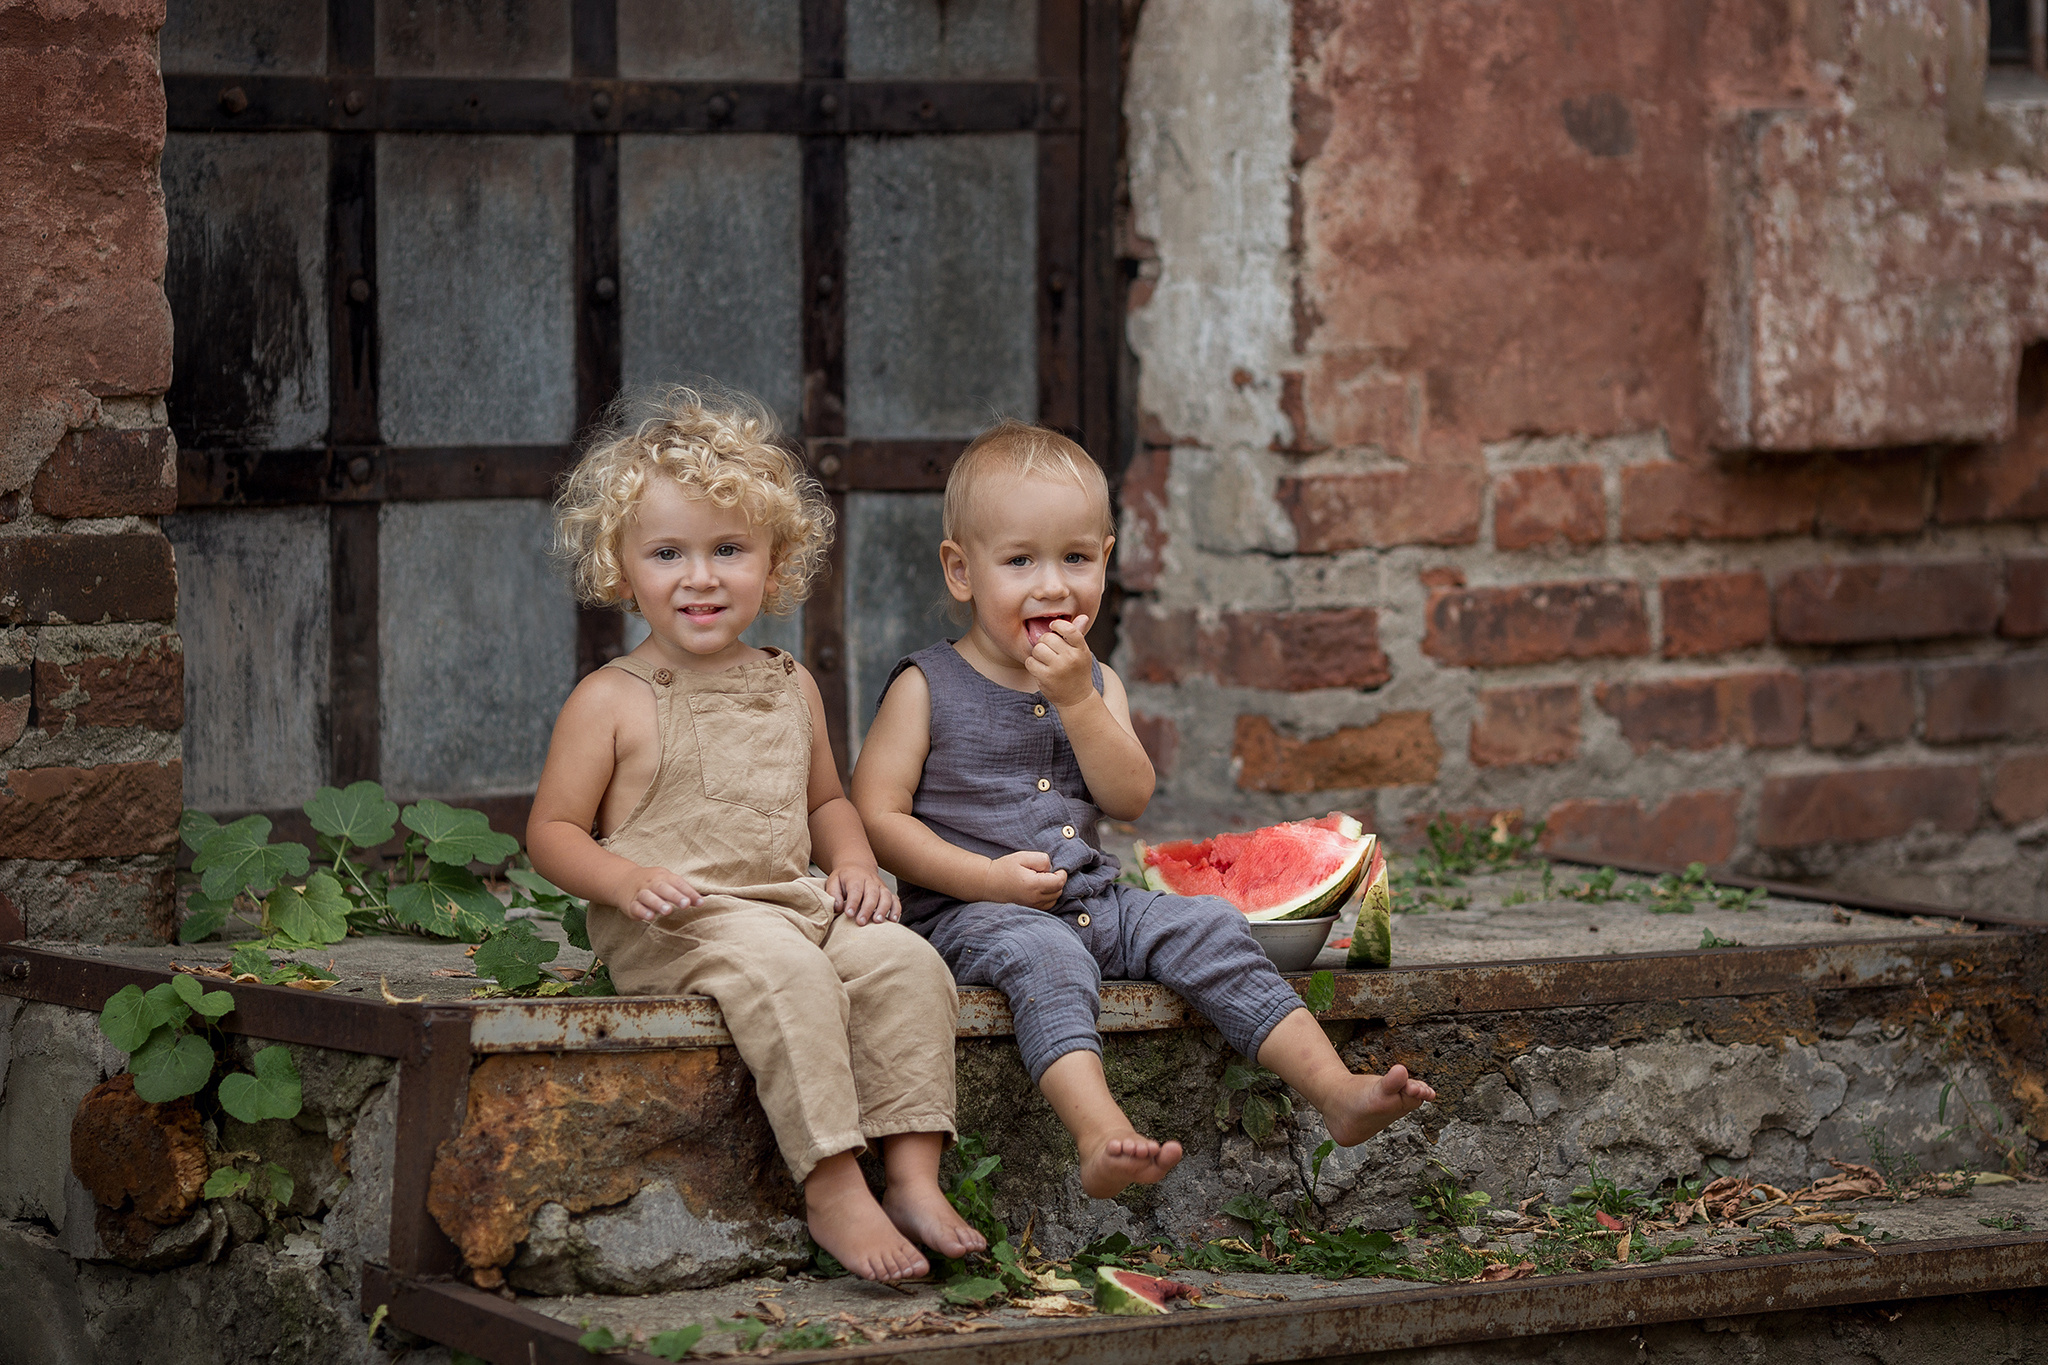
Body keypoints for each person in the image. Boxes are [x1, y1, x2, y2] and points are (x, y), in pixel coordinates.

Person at [851, 419, 1435, 1200]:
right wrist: (984, 879)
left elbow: (1130, 796)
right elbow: (878, 816)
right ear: (962, 571)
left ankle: (1334, 1090)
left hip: (1098, 901)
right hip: (970, 913)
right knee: (1047, 957)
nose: (1053, 585)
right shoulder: (926, 685)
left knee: (1209, 925)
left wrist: (1078, 701)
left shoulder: (1097, 683)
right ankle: (1098, 1131)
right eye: (1021, 559)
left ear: (1107, 559)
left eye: (1076, 558)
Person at [528, 386, 982, 1280]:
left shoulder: (790, 683)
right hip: (682, 920)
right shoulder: (611, 698)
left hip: (791, 902)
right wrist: (622, 881)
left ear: (774, 564)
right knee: (789, 973)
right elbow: (550, 832)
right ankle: (832, 1181)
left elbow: (825, 804)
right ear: (620, 569)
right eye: (668, 553)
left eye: (728, 549)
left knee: (905, 961)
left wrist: (853, 861)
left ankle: (914, 1172)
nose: (700, 576)